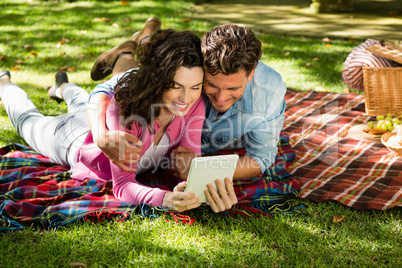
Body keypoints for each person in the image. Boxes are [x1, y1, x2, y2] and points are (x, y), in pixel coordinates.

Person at [0, 29, 237, 213]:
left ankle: (62, 86)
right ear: (158, 79)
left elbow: (188, 162)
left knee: (83, 103)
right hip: (71, 138)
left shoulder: (196, 103)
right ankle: (5, 84)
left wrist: (195, 186)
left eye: (195, 87)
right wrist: (166, 199)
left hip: (93, 117)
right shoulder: (128, 107)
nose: (186, 98)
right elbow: (122, 186)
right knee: (28, 121)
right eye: (176, 86)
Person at [89, 23, 287, 184]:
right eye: (211, 86)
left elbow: (261, 158)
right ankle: (129, 50)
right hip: (155, 135)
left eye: (233, 89)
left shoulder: (269, 92)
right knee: (127, 77)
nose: (220, 98)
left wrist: (201, 169)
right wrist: (101, 135)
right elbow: (105, 90)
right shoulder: (193, 65)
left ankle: (134, 45)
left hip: (172, 148)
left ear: (251, 74)